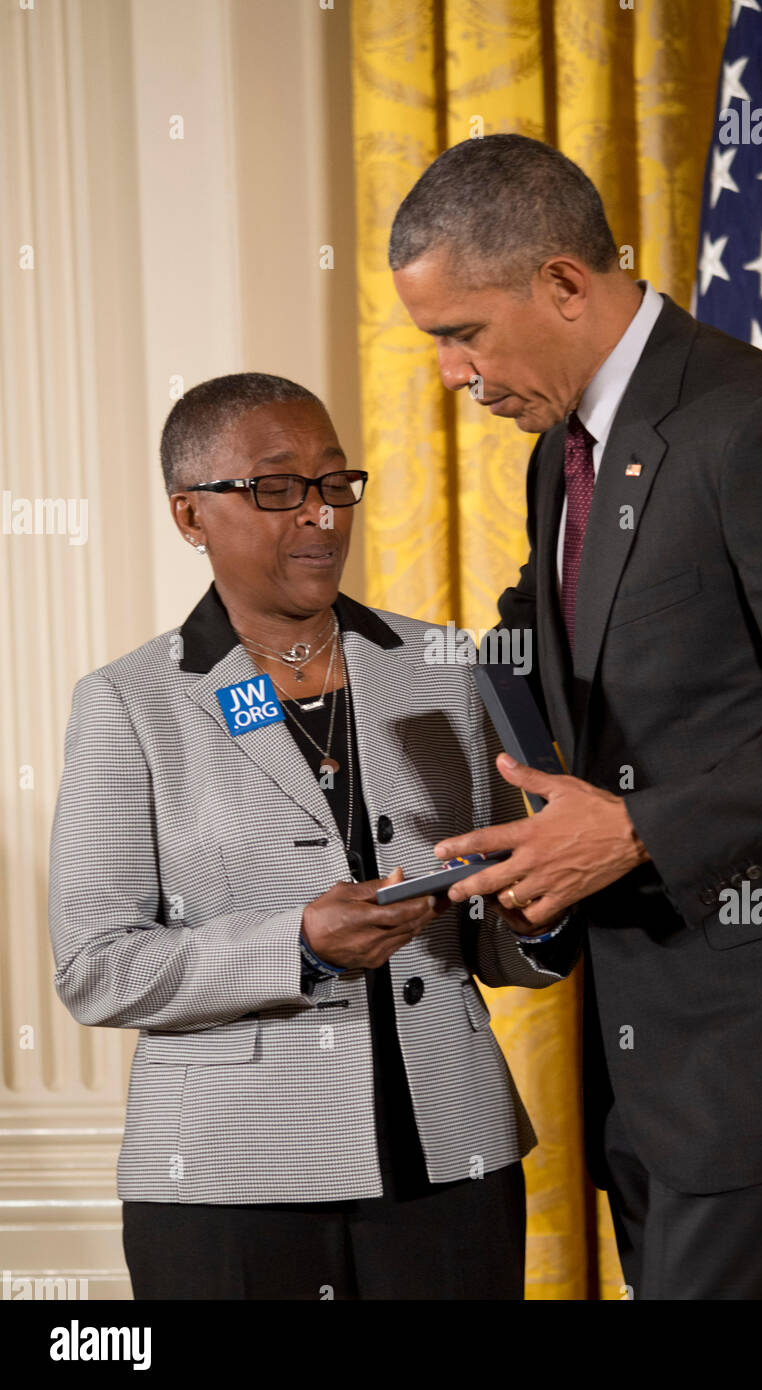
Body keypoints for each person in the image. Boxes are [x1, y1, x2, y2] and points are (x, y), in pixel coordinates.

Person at [389, 133, 762, 1299]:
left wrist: (640, 830)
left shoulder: (753, 429)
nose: (452, 373)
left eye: (463, 333)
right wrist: (339, 666)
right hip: (662, 1068)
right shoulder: (572, 446)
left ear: (561, 283)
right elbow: (542, 647)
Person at [48, 371, 577, 1301]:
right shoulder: (129, 704)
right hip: (228, 1189)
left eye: (336, 484)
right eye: (278, 488)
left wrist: (534, 910)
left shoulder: (444, 668)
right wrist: (297, 944)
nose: (321, 516)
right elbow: (96, 966)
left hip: (449, 1158)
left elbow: (497, 937)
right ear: (190, 514)